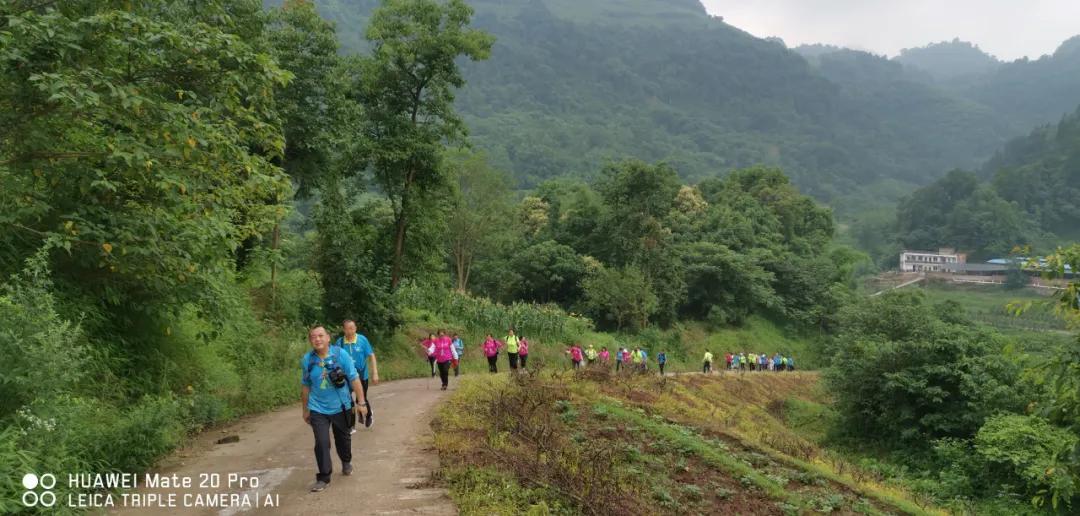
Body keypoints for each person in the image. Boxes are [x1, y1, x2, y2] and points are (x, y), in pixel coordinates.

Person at [301, 325, 367, 492]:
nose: (317, 339)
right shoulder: (307, 360)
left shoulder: (340, 355)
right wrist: (305, 409)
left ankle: (346, 461)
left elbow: (354, 379)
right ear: (310, 341)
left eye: (321, 336)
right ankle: (324, 477)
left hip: (341, 406)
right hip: (317, 407)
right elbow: (306, 386)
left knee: (343, 439)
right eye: (314, 337)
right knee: (321, 442)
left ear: (328, 338)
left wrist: (361, 402)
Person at [333, 320, 379, 430]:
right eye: (347, 329)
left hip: (362, 375)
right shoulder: (339, 343)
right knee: (348, 400)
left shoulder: (362, 340)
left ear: (355, 328)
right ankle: (351, 425)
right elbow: (333, 359)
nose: (350, 331)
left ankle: (368, 415)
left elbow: (371, 355)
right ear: (343, 329)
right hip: (346, 376)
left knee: (361, 399)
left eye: (352, 328)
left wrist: (375, 373)